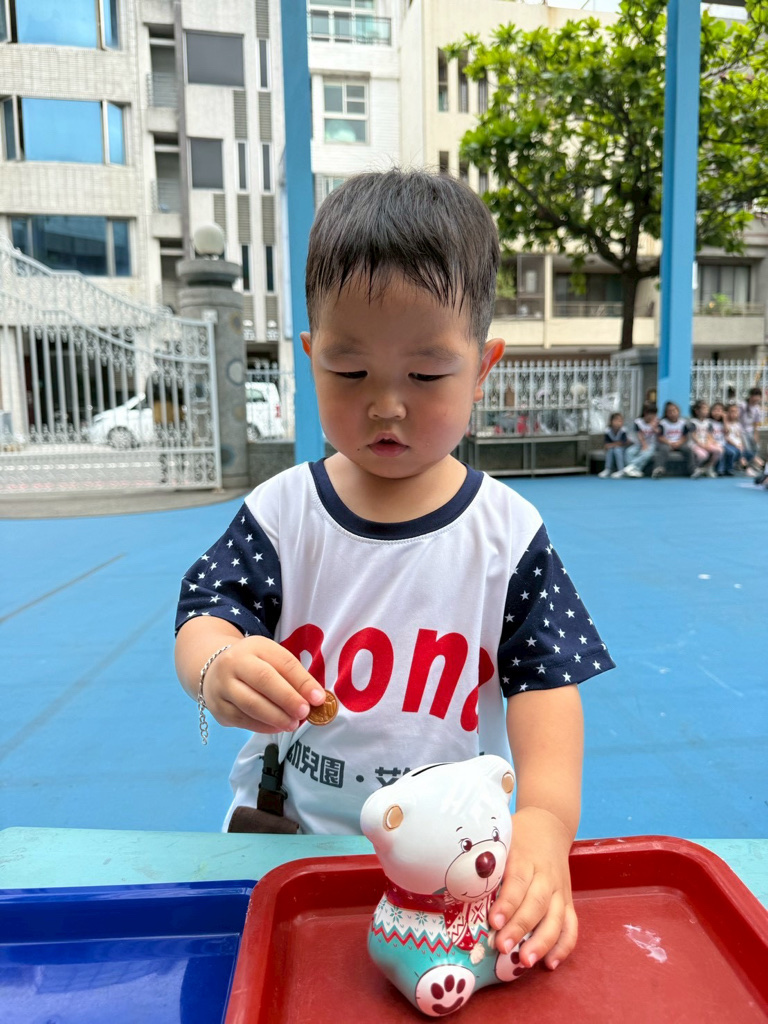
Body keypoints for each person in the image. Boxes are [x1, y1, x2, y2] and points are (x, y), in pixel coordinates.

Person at [174, 169, 614, 975]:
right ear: (310, 358)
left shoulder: (508, 535)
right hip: (291, 845)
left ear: (482, 368)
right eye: (350, 372)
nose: (386, 405)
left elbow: (547, 685)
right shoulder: (284, 513)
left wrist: (547, 823)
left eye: (426, 374)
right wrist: (217, 667)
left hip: (447, 863)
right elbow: (208, 611)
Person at [652, 401, 694, 478]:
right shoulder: (663, 423)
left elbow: (685, 436)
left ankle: (693, 470)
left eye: (674, 411)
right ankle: (658, 469)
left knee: (688, 449)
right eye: (670, 411)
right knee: (663, 449)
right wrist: (669, 443)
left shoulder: (683, 422)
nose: (672, 413)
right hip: (667, 443)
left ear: (678, 411)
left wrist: (679, 443)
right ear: (666, 413)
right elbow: (660, 437)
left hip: (679, 443)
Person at [619, 402, 658, 478]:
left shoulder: (657, 422)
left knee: (646, 453)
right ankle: (635, 471)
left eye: (654, 414)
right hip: (639, 443)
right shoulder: (638, 422)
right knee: (629, 452)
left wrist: (654, 427)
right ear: (645, 413)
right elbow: (639, 434)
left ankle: (631, 467)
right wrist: (644, 445)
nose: (652, 416)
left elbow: (659, 433)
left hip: (651, 444)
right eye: (650, 413)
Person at [688, 400, 722, 479]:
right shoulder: (693, 422)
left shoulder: (708, 422)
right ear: (697, 411)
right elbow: (693, 436)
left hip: (706, 443)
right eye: (703, 408)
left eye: (707, 409)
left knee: (719, 450)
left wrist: (710, 443)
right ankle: (696, 469)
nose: (706, 411)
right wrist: (702, 445)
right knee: (703, 455)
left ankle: (708, 467)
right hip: (696, 444)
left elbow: (710, 435)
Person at [724, 402, 757, 475]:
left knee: (750, 453)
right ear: (727, 413)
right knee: (739, 452)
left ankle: (761, 466)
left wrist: (741, 444)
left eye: (736, 411)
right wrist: (725, 419)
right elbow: (726, 436)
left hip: (738, 445)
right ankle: (747, 468)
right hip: (731, 444)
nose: (734, 414)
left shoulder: (738, 424)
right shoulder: (726, 424)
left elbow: (739, 437)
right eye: (732, 411)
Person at [599, 412, 630, 477]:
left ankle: (621, 470)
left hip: (623, 449)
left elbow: (623, 442)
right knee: (610, 450)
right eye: (616, 420)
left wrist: (612, 445)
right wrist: (610, 446)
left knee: (617, 450)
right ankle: (608, 469)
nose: (618, 423)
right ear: (611, 421)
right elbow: (606, 443)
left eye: (620, 421)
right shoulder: (608, 431)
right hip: (612, 449)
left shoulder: (623, 430)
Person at [738, 386, 764, 464]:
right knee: (747, 447)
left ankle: (753, 463)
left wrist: (756, 434)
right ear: (751, 396)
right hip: (741, 430)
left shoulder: (757, 408)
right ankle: (746, 464)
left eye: (758, 397)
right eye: (755, 396)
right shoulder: (742, 405)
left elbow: (756, 422)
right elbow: (737, 417)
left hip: (750, 430)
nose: (757, 399)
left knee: (756, 447)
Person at [709, 402, 733, 476]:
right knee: (722, 451)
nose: (717, 412)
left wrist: (725, 419)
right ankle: (719, 470)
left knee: (731, 452)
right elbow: (709, 435)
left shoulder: (722, 423)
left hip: (723, 443)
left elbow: (727, 432)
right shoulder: (710, 422)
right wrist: (714, 442)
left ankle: (728, 469)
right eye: (715, 410)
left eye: (719, 410)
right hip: (714, 443)